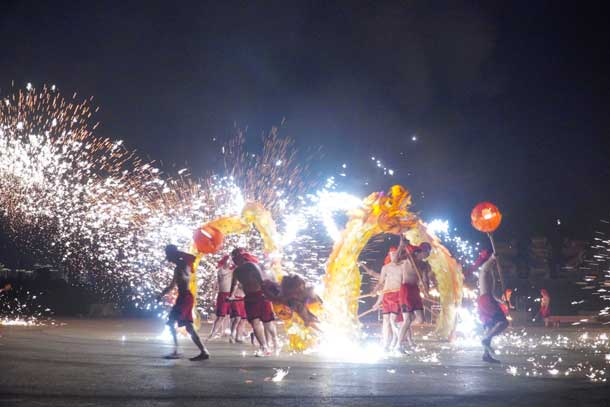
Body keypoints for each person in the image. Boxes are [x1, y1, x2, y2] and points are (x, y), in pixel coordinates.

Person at [157, 244, 210, 361]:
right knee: (172, 322)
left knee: (187, 325)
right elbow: (172, 285)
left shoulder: (182, 265)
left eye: (168, 255)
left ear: (172, 255)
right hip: (183, 297)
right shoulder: (179, 266)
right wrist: (161, 295)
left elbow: (191, 260)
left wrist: (177, 254)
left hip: (185, 297)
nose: (167, 259)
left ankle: (202, 351)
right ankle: (178, 350)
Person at [229, 248, 278, 356]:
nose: (235, 260)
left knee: (267, 322)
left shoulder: (251, 265)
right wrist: (230, 296)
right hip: (249, 298)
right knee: (254, 322)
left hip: (261, 296)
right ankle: (264, 347)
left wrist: (268, 294)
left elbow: (261, 280)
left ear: (241, 257)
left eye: (236, 257)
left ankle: (275, 341)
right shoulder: (236, 271)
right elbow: (234, 285)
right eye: (233, 258)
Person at [371, 246, 404, 351]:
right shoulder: (385, 268)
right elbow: (381, 283)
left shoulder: (402, 267)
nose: (393, 255)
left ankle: (397, 341)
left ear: (398, 254)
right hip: (386, 295)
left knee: (393, 320)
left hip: (397, 295)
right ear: (389, 255)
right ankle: (385, 343)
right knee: (386, 320)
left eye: (395, 253)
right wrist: (375, 292)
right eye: (391, 254)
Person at [397, 239, 428, 351]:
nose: (428, 254)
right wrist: (401, 246)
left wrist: (426, 290)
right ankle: (398, 345)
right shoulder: (409, 258)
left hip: (415, 290)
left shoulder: (424, 265)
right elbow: (395, 260)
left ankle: (404, 326)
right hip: (406, 290)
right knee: (407, 319)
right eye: (427, 251)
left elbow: (425, 279)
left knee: (420, 319)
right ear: (421, 251)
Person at [477, 253, 508, 363]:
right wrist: (492, 258)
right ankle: (486, 339)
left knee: (489, 327)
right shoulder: (484, 270)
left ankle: (486, 355)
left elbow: (493, 293)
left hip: (486, 299)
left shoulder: (491, 273)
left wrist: (501, 301)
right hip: (486, 300)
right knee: (503, 322)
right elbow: (485, 268)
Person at [208, 254, 233, 340]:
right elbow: (219, 282)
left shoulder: (233, 270)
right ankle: (213, 333)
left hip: (230, 294)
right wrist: (213, 297)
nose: (229, 262)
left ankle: (223, 331)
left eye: (230, 261)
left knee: (228, 315)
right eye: (228, 261)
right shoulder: (221, 271)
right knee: (220, 316)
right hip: (222, 295)